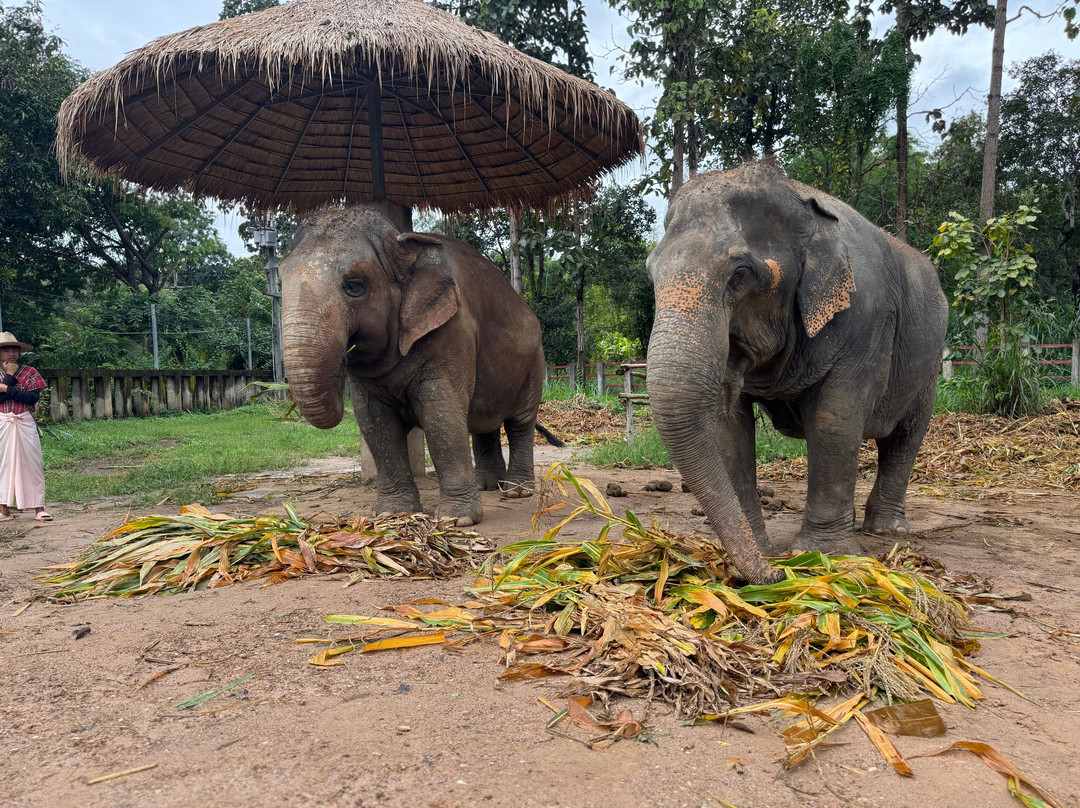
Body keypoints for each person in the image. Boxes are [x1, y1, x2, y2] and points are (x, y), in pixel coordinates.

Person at [0, 332, 50, 521]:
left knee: (32, 463)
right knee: (2, 464)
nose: (11, 353)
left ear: (19, 352)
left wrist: (6, 388)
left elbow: (31, 398)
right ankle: (3, 509)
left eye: (14, 349)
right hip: (3, 421)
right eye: (6, 350)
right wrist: (10, 376)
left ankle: (39, 508)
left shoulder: (30, 372)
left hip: (24, 420)